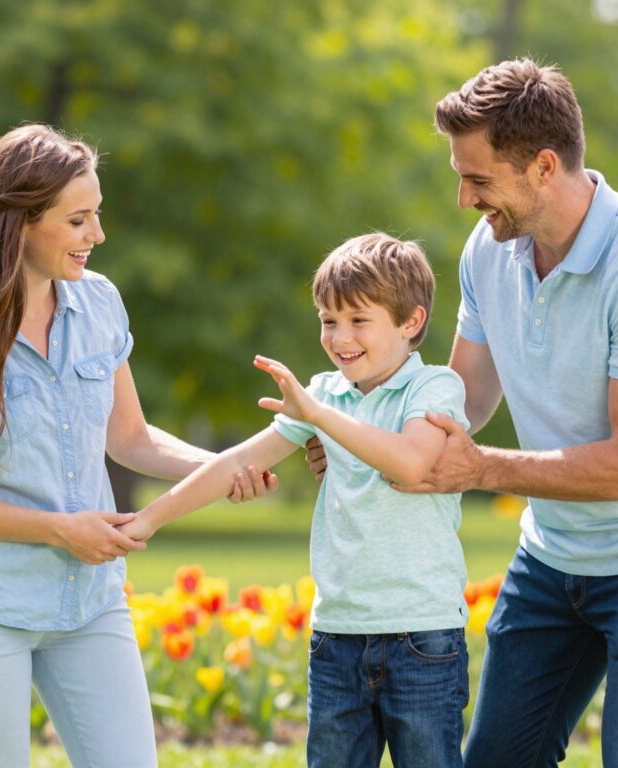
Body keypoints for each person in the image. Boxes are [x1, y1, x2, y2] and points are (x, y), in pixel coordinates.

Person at [311, 59, 618, 767]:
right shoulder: (492, 252)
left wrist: (479, 470)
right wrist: (371, 439)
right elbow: (463, 399)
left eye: (478, 179)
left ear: (543, 166)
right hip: (554, 555)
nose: (463, 199)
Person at [0, 124, 275, 768]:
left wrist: (221, 468)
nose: (98, 235)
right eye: (79, 219)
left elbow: (131, 439)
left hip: (88, 603)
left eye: (97, 216)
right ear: (22, 223)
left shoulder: (100, 304)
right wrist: (60, 529)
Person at [119, 233, 472, 768]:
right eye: (329, 320)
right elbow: (238, 462)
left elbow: (410, 462)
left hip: (421, 638)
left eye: (358, 320)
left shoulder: (435, 389)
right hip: (337, 637)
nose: (339, 337)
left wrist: (317, 416)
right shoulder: (324, 393)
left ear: (410, 322)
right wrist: (148, 520)